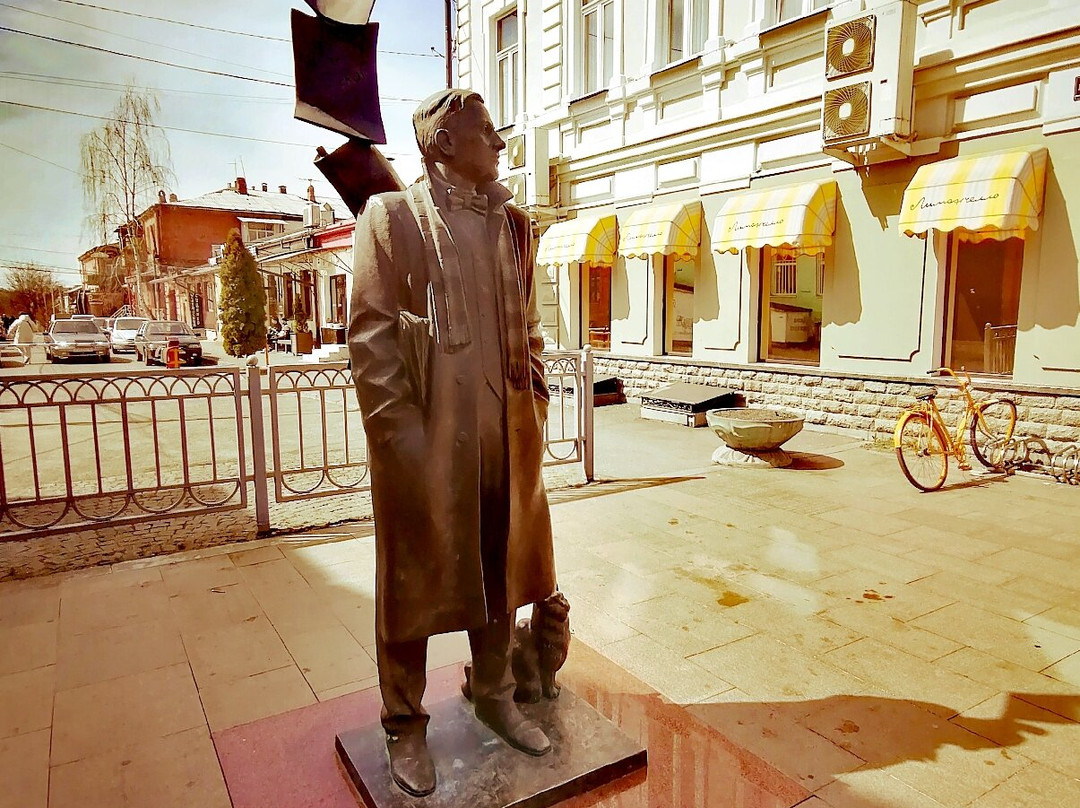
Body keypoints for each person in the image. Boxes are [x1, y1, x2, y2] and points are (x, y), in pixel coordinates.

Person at [348, 89, 556, 797]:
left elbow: (527, 325)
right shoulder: (391, 219)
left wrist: (534, 396)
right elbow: (371, 340)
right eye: (486, 134)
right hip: (427, 435)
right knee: (412, 580)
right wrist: (403, 445)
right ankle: (404, 722)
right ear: (443, 144)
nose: (499, 146)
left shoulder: (514, 222)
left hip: (503, 428)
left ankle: (494, 693)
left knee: (499, 564)